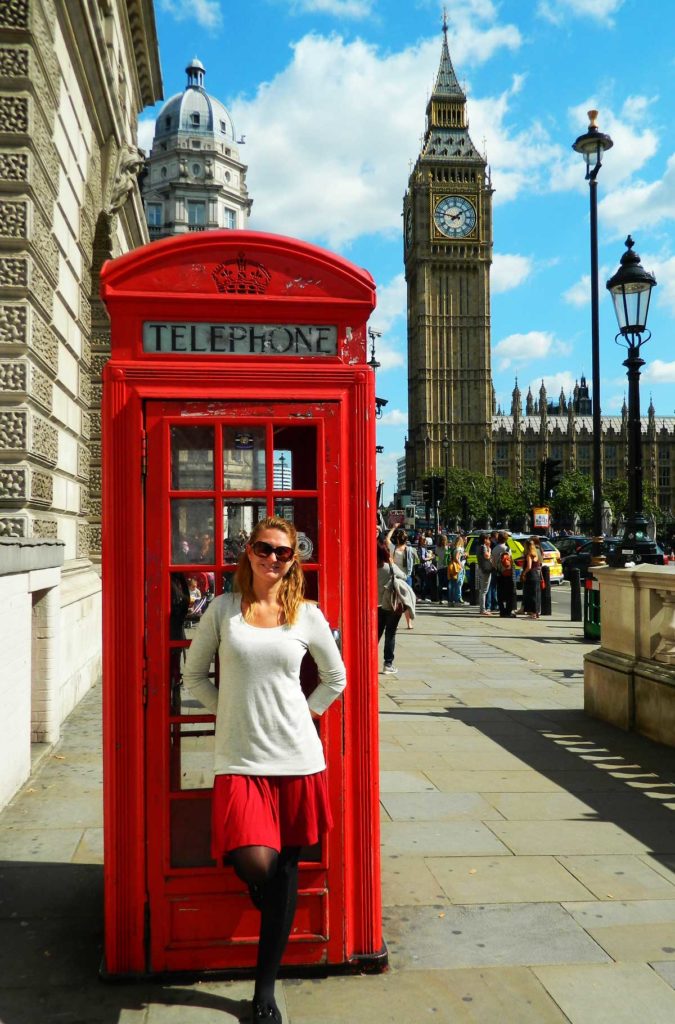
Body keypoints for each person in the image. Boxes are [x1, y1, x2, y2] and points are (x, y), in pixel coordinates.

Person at [181, 515, 346, 1024]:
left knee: (286, 870)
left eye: (283, 552)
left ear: (294, 560)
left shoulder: (306, 615)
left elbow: (335, 677)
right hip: (241, 757)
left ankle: (265, 989)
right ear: (247, 552)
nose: (272, 558)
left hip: (296, 757)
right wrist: (229, 710)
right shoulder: (223, 611)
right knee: (258, 863)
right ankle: (264, 898)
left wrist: (306, 712)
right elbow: (193, 678)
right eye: (263, 548)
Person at [377, 539, 406, 674]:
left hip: (375, 606)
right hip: (390, 605)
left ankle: (369, 660)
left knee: (375, 635)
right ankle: (388, 664)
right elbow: (404, 576)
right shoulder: (388, 568)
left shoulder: (367, 567)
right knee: (390, 634)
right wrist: (392, 563)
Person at [388, 527, 416, 628]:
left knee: (396, 600)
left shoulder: (393, 548)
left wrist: (393, 528)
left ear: (397, 539)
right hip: (407, 577)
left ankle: (395, 623)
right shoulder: (410, 550)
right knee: (407, 600)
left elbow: (387, 539)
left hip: (396, 577)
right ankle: (409, 623)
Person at [490, 532, 514, 617]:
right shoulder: (507, 549)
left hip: (498, 573)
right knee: (509, 594)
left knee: (499, 592)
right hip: (507, 573)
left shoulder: (494, 549)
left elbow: (492, 562)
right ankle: (508, 611)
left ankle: (502, 611)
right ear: (506, 539)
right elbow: (510, 561)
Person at [521, 537, 542, 619]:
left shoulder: (529, 555)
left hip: (530, 575)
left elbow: (529, 567)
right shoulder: (536, 554)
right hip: (536, 574)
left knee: (531, 594)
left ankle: (533, 613)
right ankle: (536, 612)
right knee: (536, 594)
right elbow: (538, 564)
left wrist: (524, 573)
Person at [475, 533, 493, 616]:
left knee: (482, 590)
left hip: (481, 568)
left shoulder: (479, 547)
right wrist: (489, 549)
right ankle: (483, 609)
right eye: (488, 538)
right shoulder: (484, 547)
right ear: (485, 539)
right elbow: (487, 556)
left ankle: (482, 608)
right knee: (484, 591)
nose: (489, 540)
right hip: (485, 569)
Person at [447, 535, 467, 607]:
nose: (465, 541)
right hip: (458, 568)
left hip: (453, 567)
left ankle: (451, 600)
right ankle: (458, 600)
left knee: (452, 584)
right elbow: (457, 558)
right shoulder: (459, 549)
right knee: (458, 584)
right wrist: (460, 565)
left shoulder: (454, 548)